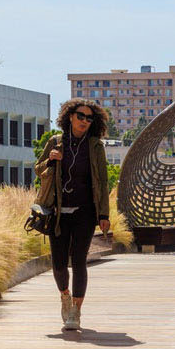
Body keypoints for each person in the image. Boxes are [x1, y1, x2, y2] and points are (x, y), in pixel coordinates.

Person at [37, 98, 112, 336]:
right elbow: (39, 170)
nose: (85, 122)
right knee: (58, 263)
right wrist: (52, 160)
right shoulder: (55, 142)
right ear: (70, 116)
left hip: (85, 213)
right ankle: (65, 297)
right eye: (81, 116)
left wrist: (103, 214)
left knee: (79, 261)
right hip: (58, 212)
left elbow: (102, 180)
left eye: (90, 118)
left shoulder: (95, 146)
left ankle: (76, 312)